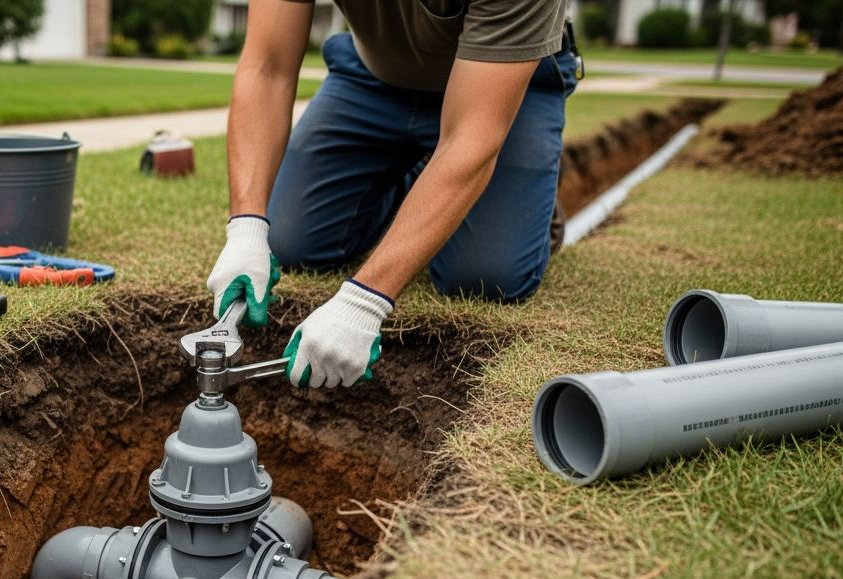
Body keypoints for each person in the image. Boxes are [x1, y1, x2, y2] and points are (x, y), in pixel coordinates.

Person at [207, 0, 581, 388]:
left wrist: (363, 303)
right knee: (291, 242)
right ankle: (426, 180)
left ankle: (521, 201)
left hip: (501, 86)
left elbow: (473, 135)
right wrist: (246, 228)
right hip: (375, 77)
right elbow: (267, 68)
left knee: (483, 278)